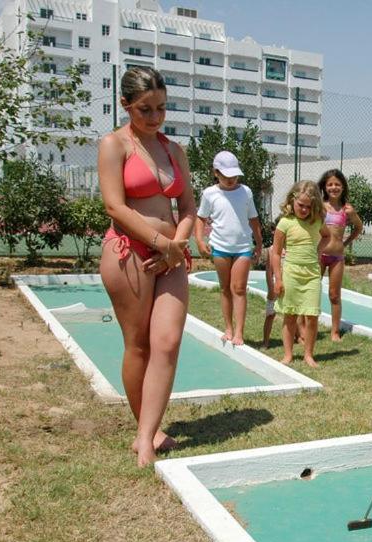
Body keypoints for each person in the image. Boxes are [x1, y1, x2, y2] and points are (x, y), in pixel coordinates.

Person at [98, 66, 195, 467]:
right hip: (129, 252)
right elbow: (114, 206)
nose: (154, 117)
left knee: (168, 342)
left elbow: (188, 205)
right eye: (145, 110)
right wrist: (160, 242)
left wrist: (177, 244)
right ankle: (148, 435)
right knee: (138, 344)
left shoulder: (175, 150)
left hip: (171, 255)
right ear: (126, 105)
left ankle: (145, 437)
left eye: (161, 108)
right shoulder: (113, 145)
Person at [194, 150, 263, 346]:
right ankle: (229, 328)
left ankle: (239, 332)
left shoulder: (246, 192)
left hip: (242, 247)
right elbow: (201, 218)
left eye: (234, 175)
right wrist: (199, 240)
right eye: (226, 175)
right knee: (225, 288)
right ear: (216, 173)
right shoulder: (209, 193)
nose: (231, 179)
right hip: (220, 247)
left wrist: (258, 243)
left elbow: (253, 219)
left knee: (239, 288)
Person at [271, 181, 325, 366]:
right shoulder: (285, 223)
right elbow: (276, 253)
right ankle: (288, 354)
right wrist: (278, 279)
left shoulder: (317, 222)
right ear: (292, 201)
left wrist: (319, 251)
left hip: (311, 275)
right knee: (290, 315)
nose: (304, 209)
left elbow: (327, 237)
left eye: (308, 207)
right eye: (300, 205)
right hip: (291, 273)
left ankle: (308, 354)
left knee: (311, 316)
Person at [317, 169, 364, 341]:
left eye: (337, 184)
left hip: (337, 258)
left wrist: (345, 243)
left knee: (334, 294)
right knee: (312, 292)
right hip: (319, 256)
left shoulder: (347, 210)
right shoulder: (319, 207)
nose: (333, 187)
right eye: (330, 184)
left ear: (343, 187)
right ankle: (306, 328)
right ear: (324, 187)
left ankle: (335, 331)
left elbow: (359, 227)